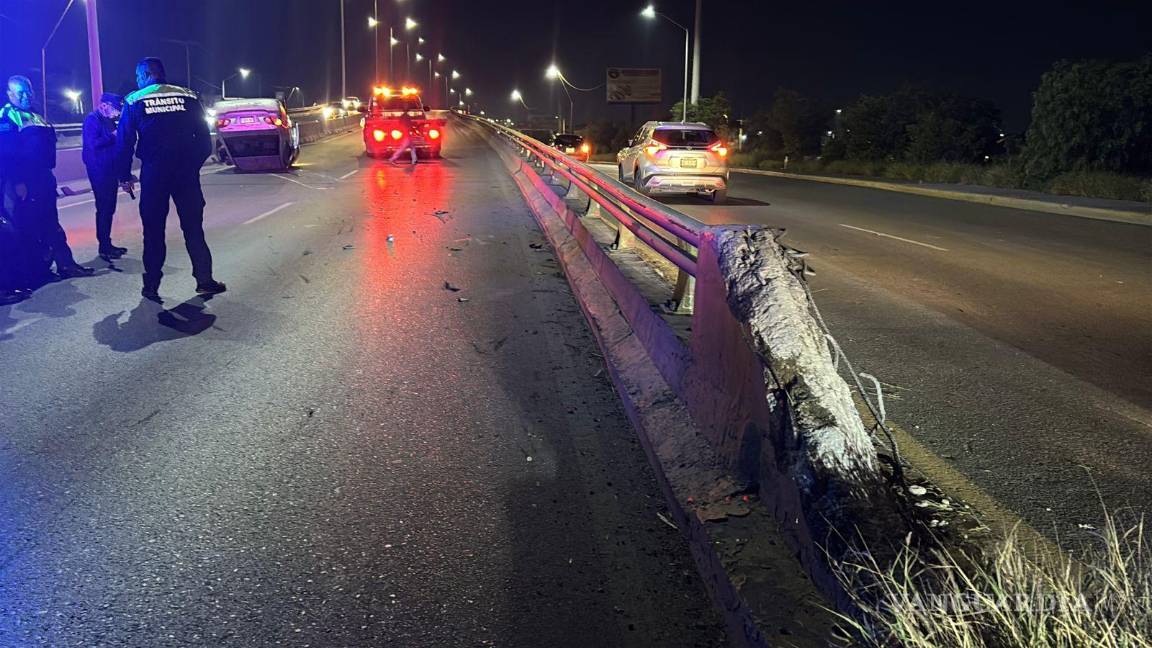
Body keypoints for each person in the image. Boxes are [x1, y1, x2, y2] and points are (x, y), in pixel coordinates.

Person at [115, 57, 225, 302]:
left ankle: (151, 286)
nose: (137, 81)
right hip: (185, 173)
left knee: (153, 231)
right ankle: (204, 280)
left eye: (138, 77)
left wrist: (123, 175)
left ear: (145, 75)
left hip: (154, 174)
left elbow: (124, 143)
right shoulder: (187, 95)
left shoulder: (134, 100)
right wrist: (192, 165)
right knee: (193, 228)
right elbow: (204, 140)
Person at [0, 75, 94, 283]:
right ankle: (37, 271)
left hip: (44, 176)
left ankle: (66, 264)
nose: (26, 96)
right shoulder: (7, 116)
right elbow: (6, 154)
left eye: (28, 91)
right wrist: (18, 182)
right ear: (10, 94)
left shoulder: (35, 115)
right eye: (20, 93)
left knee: (51, 222)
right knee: (30, 226)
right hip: (25, 180)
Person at [82, 92, 127, 261]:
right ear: (104, 105)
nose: (117, 113)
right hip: (98, 170)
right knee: (104, 207)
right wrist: (112, 136)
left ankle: (107, 244)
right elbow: (91, 144)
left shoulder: (108, 120)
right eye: (115, 109)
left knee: (110, 208)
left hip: (110, 168)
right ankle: (104, 246)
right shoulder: (92, 120)